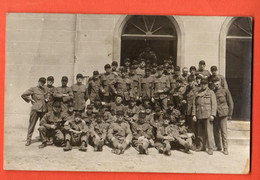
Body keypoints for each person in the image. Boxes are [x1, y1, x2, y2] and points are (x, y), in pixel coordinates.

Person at [192, 78, 217, 155]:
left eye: (205, 84)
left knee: (209, 132)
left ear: (207, 84)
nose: (203, 85)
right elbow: (194, 104)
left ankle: (210, 148)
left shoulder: (211, 92)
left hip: (208, 115)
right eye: (202, 84)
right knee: (200, 132)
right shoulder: (197, 93)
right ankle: (201, 146)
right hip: (199, 114)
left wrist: (213, 114)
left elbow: (214, 104)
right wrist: (194, 115)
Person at [21, 77, 48, 146]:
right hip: (35, 110)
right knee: (32, 125)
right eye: (41, 82)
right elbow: (23, 95)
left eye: (43, 82)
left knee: (43, 125)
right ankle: (28, 140)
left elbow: (46, 98)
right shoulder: (33, 89)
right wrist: (30, 100)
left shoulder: (44, 90)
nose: (42, 83)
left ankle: (42, 139)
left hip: (43, 110)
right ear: (38, 81)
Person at [213, 77, 234, 155]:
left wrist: (230, 114)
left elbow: (231, 103)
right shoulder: (213, 91)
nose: (216, 83)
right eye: (214, 82)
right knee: (215, 131)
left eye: (217, 81)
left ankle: (225, 148)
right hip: (216, 114)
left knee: (223, 132)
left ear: (220, 82)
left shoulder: (225, 91)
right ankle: (218, 146)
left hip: (223, 114)